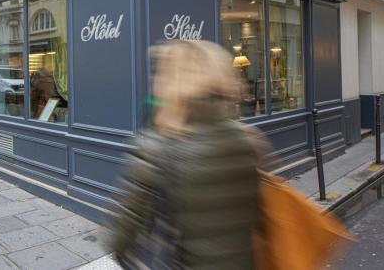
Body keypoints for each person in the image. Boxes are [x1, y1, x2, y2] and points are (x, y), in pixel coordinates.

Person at [110, 40, 268, 269]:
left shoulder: (155, 148)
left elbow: (120, 239)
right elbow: (259, 220)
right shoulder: (248, 140)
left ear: (171, 83)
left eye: (160, 74)